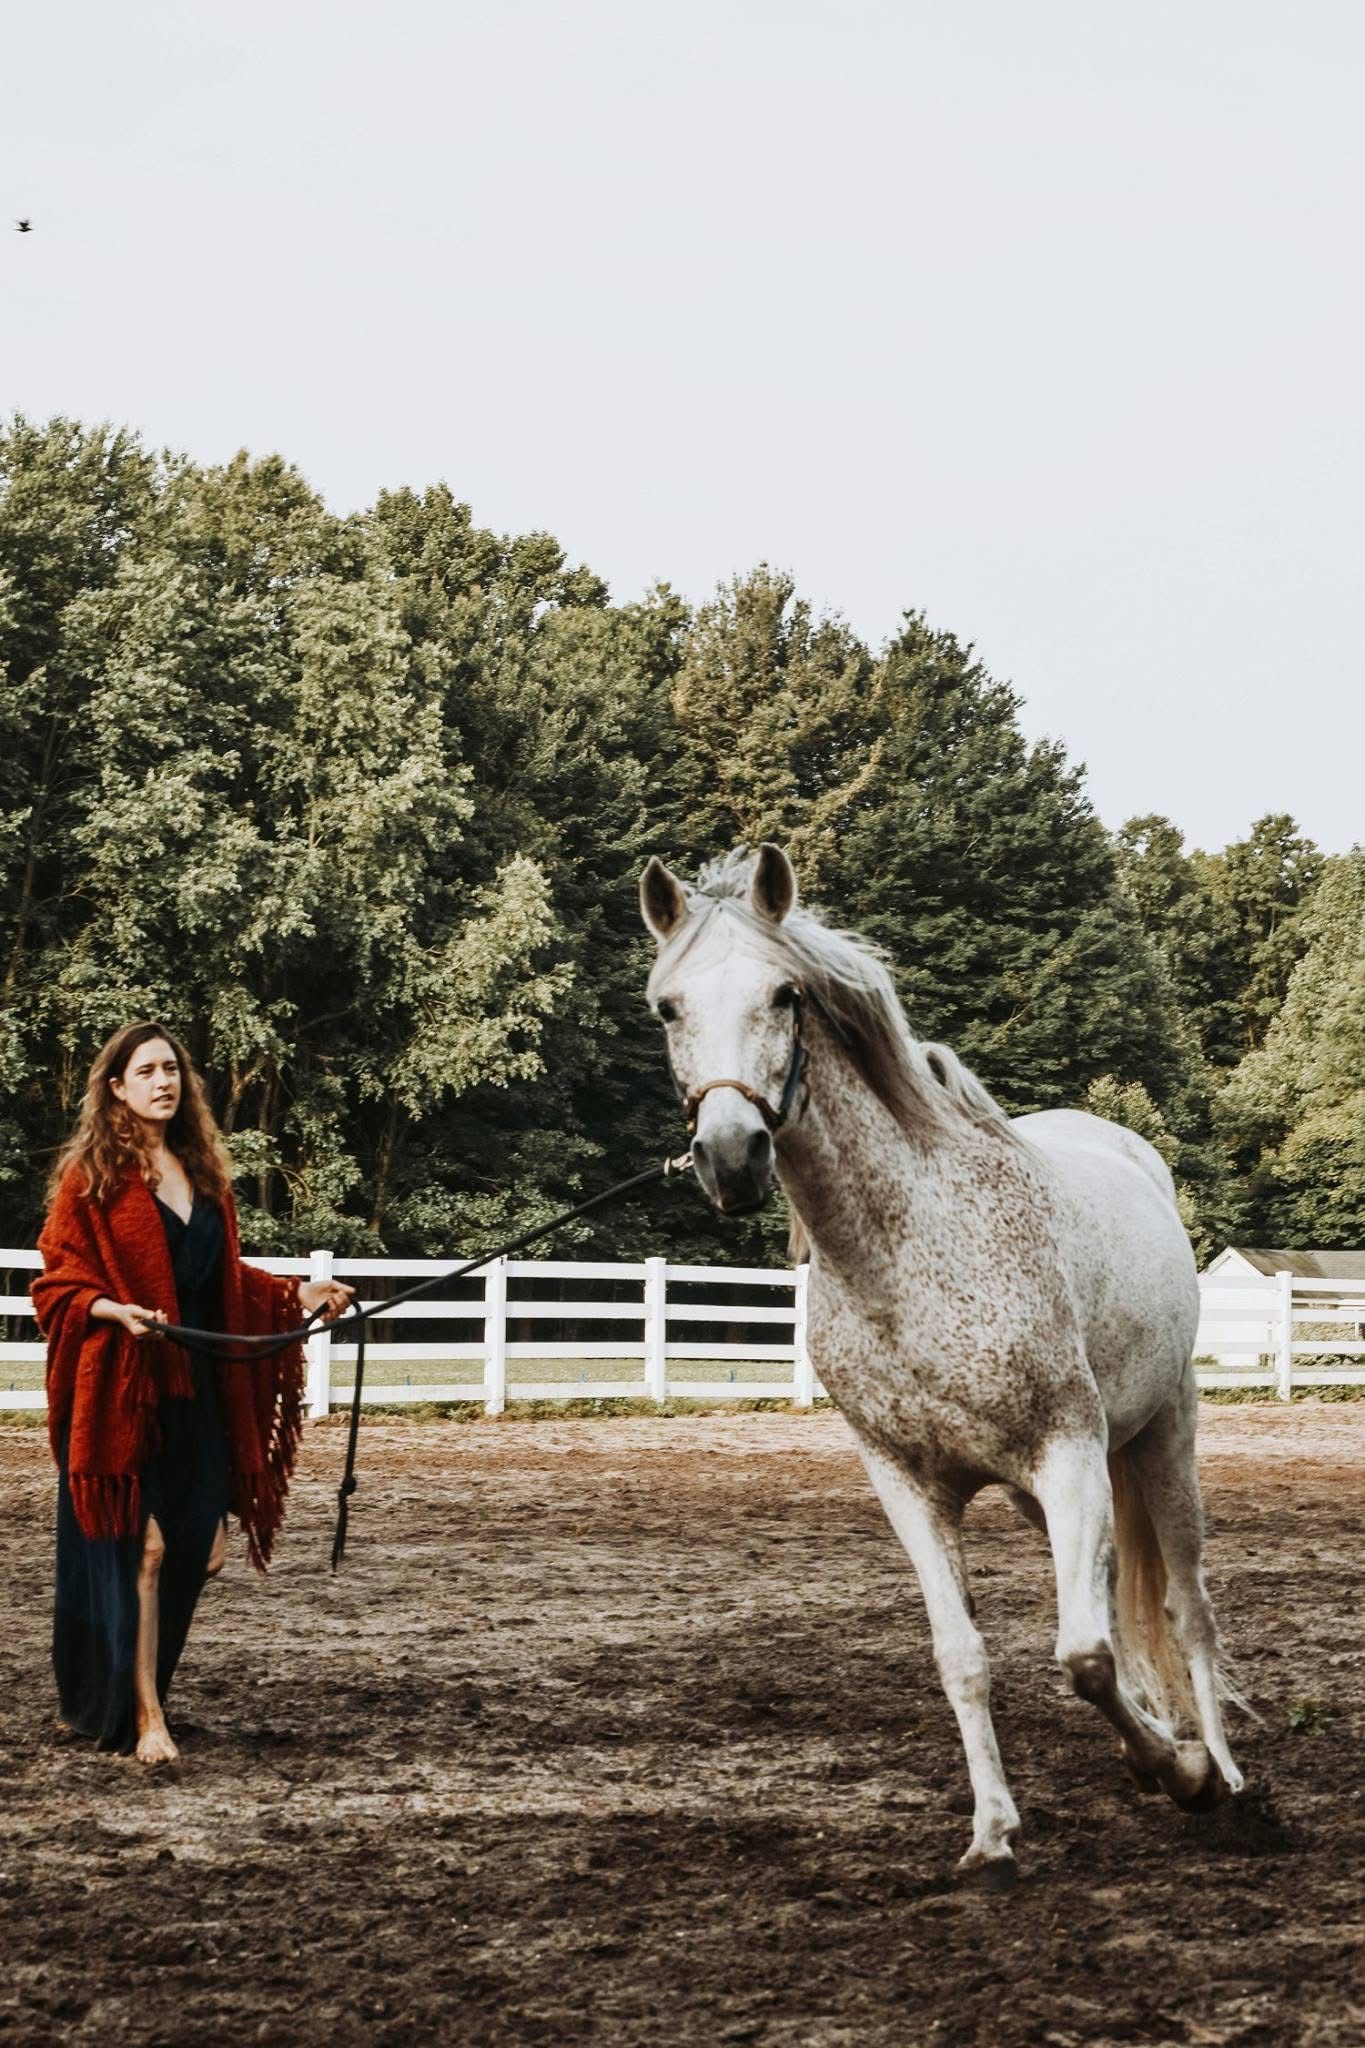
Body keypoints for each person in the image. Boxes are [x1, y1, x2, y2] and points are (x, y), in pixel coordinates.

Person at [32, 1021, 354, 1765]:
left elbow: (219, 1284)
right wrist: (112, 1312)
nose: (162, 1082)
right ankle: (145, 1717)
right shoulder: (91, 1180)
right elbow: (56, 1284)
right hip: (123, 1393)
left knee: (196, 1554)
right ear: (116, 1087)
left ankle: (106, 1697)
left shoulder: (201, 1175)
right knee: (141, 1551)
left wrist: (298, 1294)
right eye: (145, 1071)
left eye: (171, 1069)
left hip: (199, 1396)